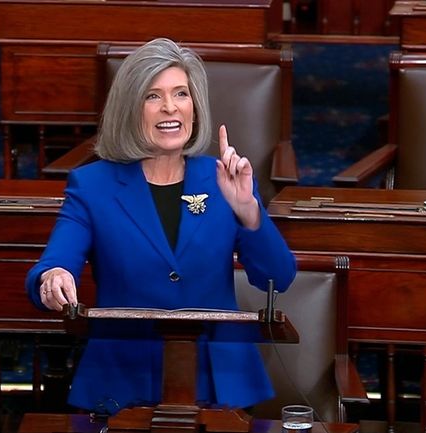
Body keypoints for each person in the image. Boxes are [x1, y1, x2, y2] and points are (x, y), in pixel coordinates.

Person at [25, 37, 296, 415]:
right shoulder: (93, 185)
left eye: (181, 93)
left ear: (195, 106)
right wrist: (53, 277)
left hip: (217, 383)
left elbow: (279, 276)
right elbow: (52, 267)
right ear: (129, 109)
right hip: (123, 379)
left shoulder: (223, 180)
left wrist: (249, 210)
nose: (170, 107)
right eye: (153, 96)